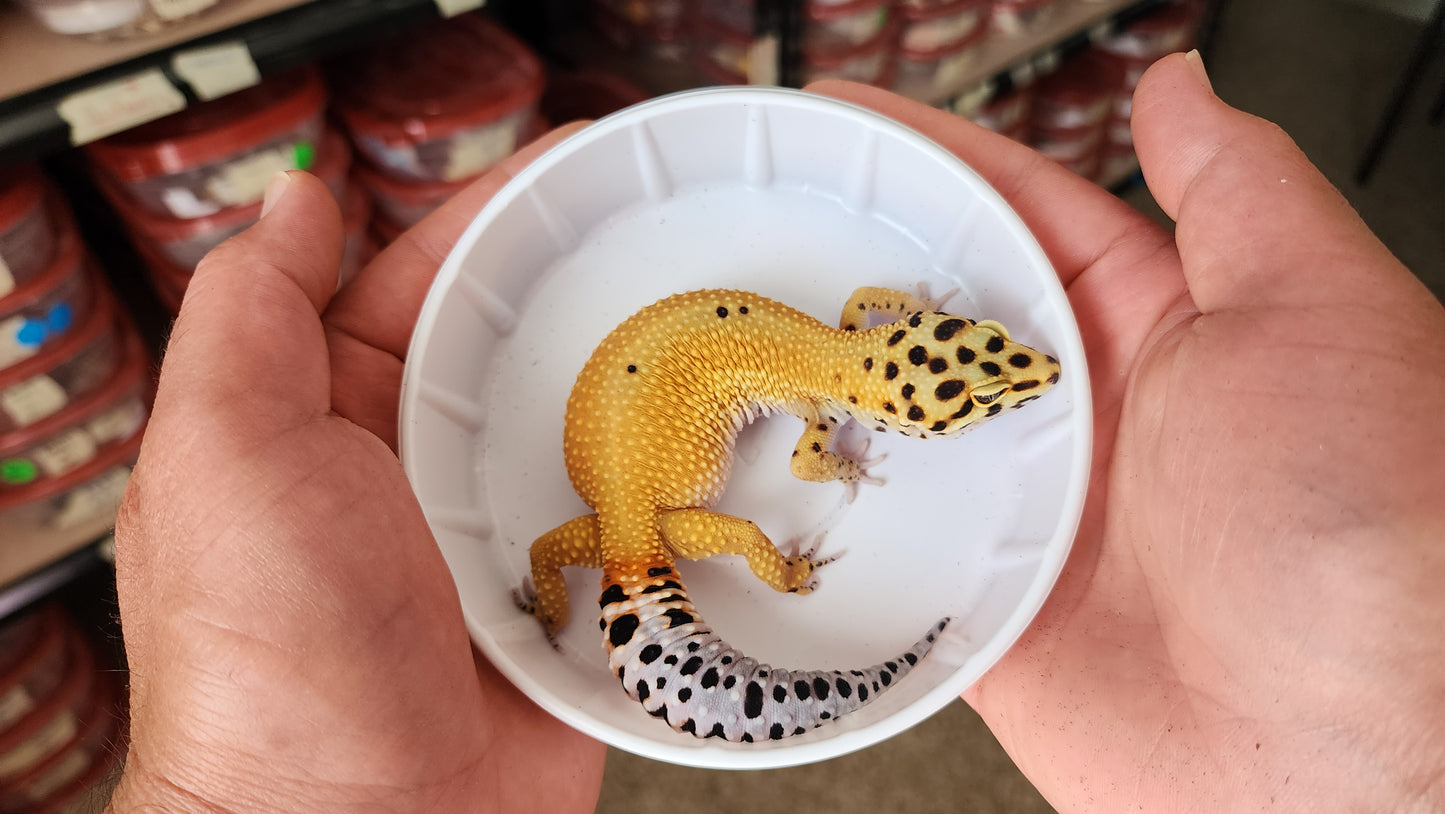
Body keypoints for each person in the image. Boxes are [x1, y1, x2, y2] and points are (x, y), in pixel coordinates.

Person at [104, 51, 1444, 813]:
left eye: (982, 378)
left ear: (898, 368)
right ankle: (774, 586)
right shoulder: (813, 411)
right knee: (732, 544)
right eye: (983, 385)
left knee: (647, 541)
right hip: (637, 500)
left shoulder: (839, 356)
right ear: (891, 391)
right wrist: (780, 552)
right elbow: (825, 420)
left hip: (622, 452)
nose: (1014, 379)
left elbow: (863, 330)